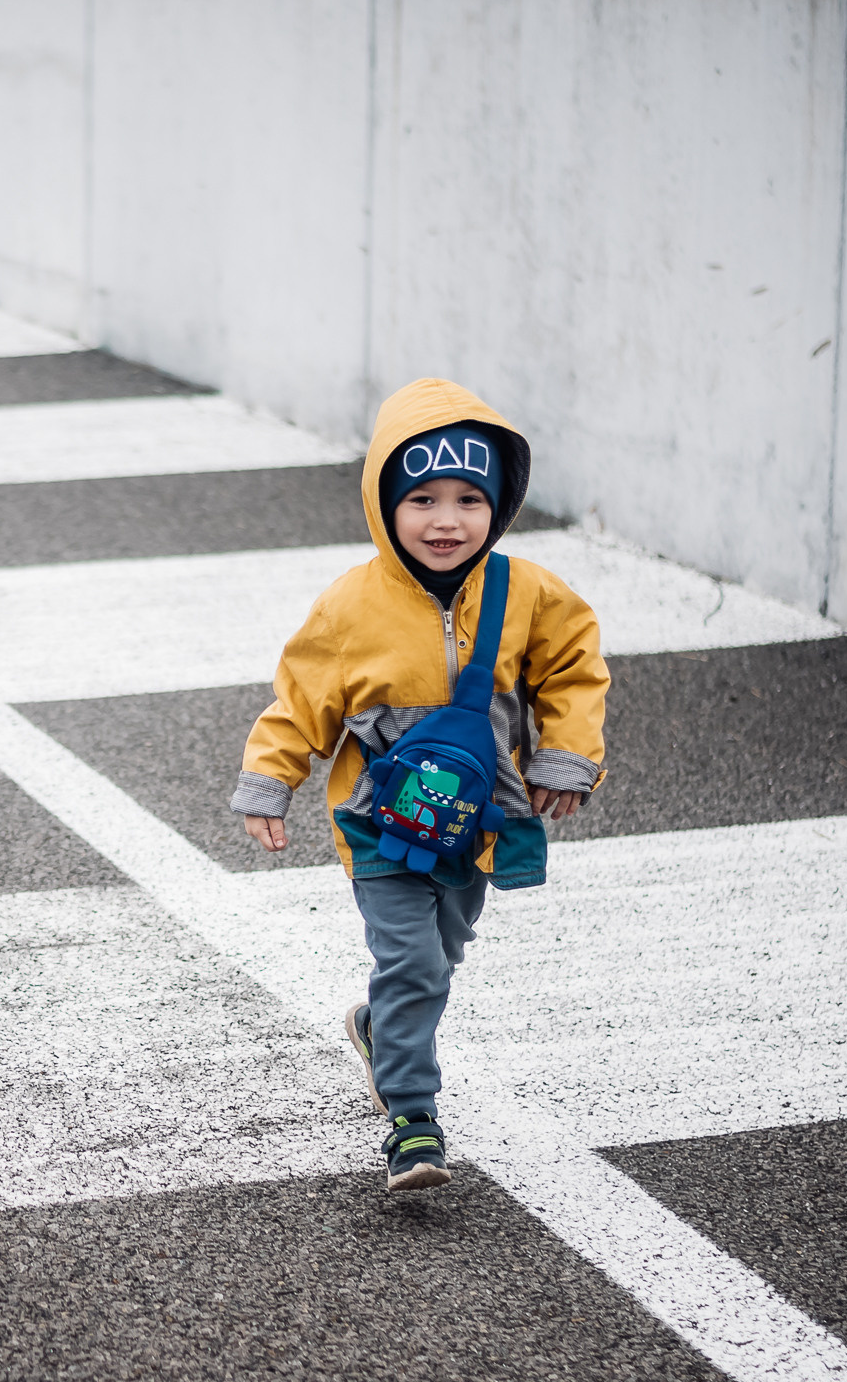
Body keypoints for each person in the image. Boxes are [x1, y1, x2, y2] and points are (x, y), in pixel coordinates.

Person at [232, 377, 609, 1192]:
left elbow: (575, 671)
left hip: (475, 825)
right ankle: (412, 1119)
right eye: (423, 499)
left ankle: (377, 1027)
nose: (446, 521)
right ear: (384, 504)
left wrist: (568, 756)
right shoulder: (352, 606)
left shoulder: (529, 594)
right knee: (416, 965)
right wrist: (272, 777)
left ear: (499, 503)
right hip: (379, 824)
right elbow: (301, 698)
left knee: (442, 950)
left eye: (470, 498)